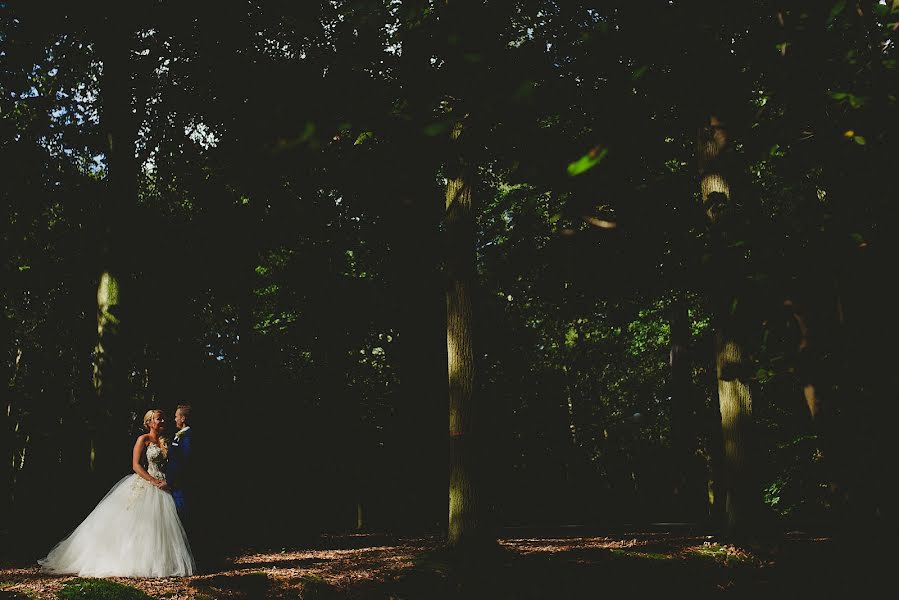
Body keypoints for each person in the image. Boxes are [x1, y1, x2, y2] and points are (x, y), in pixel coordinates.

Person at [38, 409, 195, 577]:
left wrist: (168, 481)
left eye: (163, 419)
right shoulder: (143, 439)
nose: (163, 421)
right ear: (149, 422)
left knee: (163, 526)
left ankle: (161, 564)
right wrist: (152, 480)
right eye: (158, 419)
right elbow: (136, 465)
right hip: (148, 482)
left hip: (164, 485)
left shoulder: (167, 441)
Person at [167, 404, 194, 527]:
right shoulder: (179, 435)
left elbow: (184, 463)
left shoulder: (188, 437)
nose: (175, 419)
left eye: (176, 416)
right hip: (174, 486)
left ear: (183, 418)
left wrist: (171, 483)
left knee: (181, 520)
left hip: (179, 487)